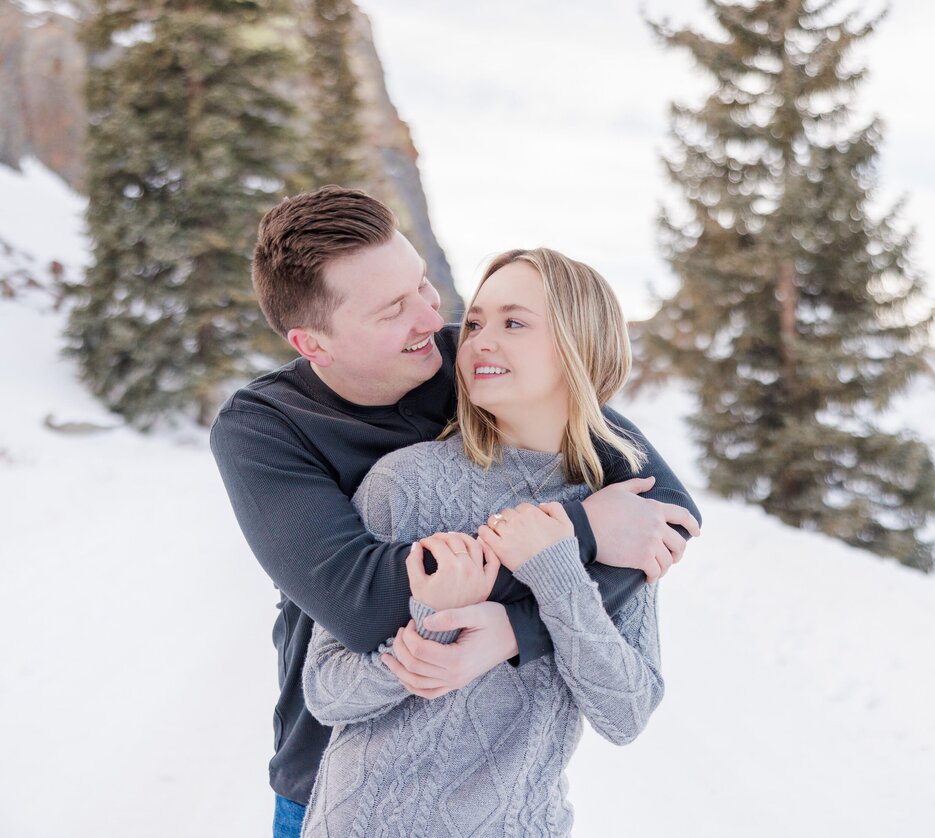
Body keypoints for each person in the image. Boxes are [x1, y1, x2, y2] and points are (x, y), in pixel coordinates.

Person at [208, 187, 701, 836]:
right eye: (393, 310)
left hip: (501, 797)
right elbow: (364, 604)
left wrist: (519, 631)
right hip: (333, 778)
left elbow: (660, 512)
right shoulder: (266, 429)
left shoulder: (475, 366)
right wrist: (579, 532)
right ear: (313, 344)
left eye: (422, 285)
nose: (430, 318)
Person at [301, 247, 669, 837]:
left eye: (514, 323)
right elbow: (326, 691)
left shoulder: (618, 511)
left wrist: (558, 571)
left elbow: (625, 714)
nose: (477, 342)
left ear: (582, 347)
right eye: (474, 323)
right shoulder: (405, 481)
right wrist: (431, 626)